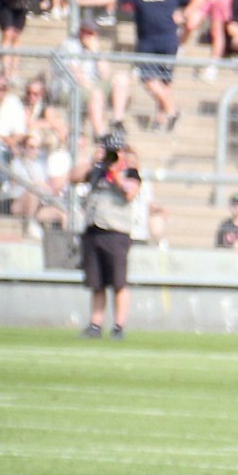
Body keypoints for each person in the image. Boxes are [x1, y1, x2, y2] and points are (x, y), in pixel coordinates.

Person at [75, 0, 197, 132]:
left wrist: (185, 13)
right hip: (146, 42)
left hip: (168, 41)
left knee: (165, 82)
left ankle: (161, 119)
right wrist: (82, 1)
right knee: (147, 78)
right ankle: (172, 111)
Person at [77, 131, 139, 338]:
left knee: (118, 282)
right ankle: (95, 324)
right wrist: (93, 163)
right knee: (97, 282)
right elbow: (73, 178)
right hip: (94, 229)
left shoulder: (130, 172)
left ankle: (118, 326)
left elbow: (129, 193)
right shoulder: (97, 170)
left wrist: (116, 174)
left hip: (116, 232)